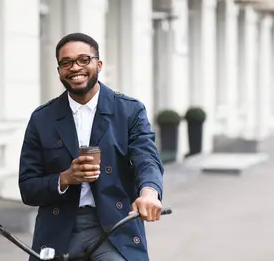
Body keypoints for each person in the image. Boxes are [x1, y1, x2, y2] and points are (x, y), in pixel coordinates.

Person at [18, 32, 164, 261]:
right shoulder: (42, 118)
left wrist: (149, 194)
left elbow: (147, 159)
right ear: (59, 71)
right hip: (59, 229)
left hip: (112, 227)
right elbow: (28, 187)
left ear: (99, 63)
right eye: (66, 62)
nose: (75, 67)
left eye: (83, 59)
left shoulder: (129, 110)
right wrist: (65, 178)